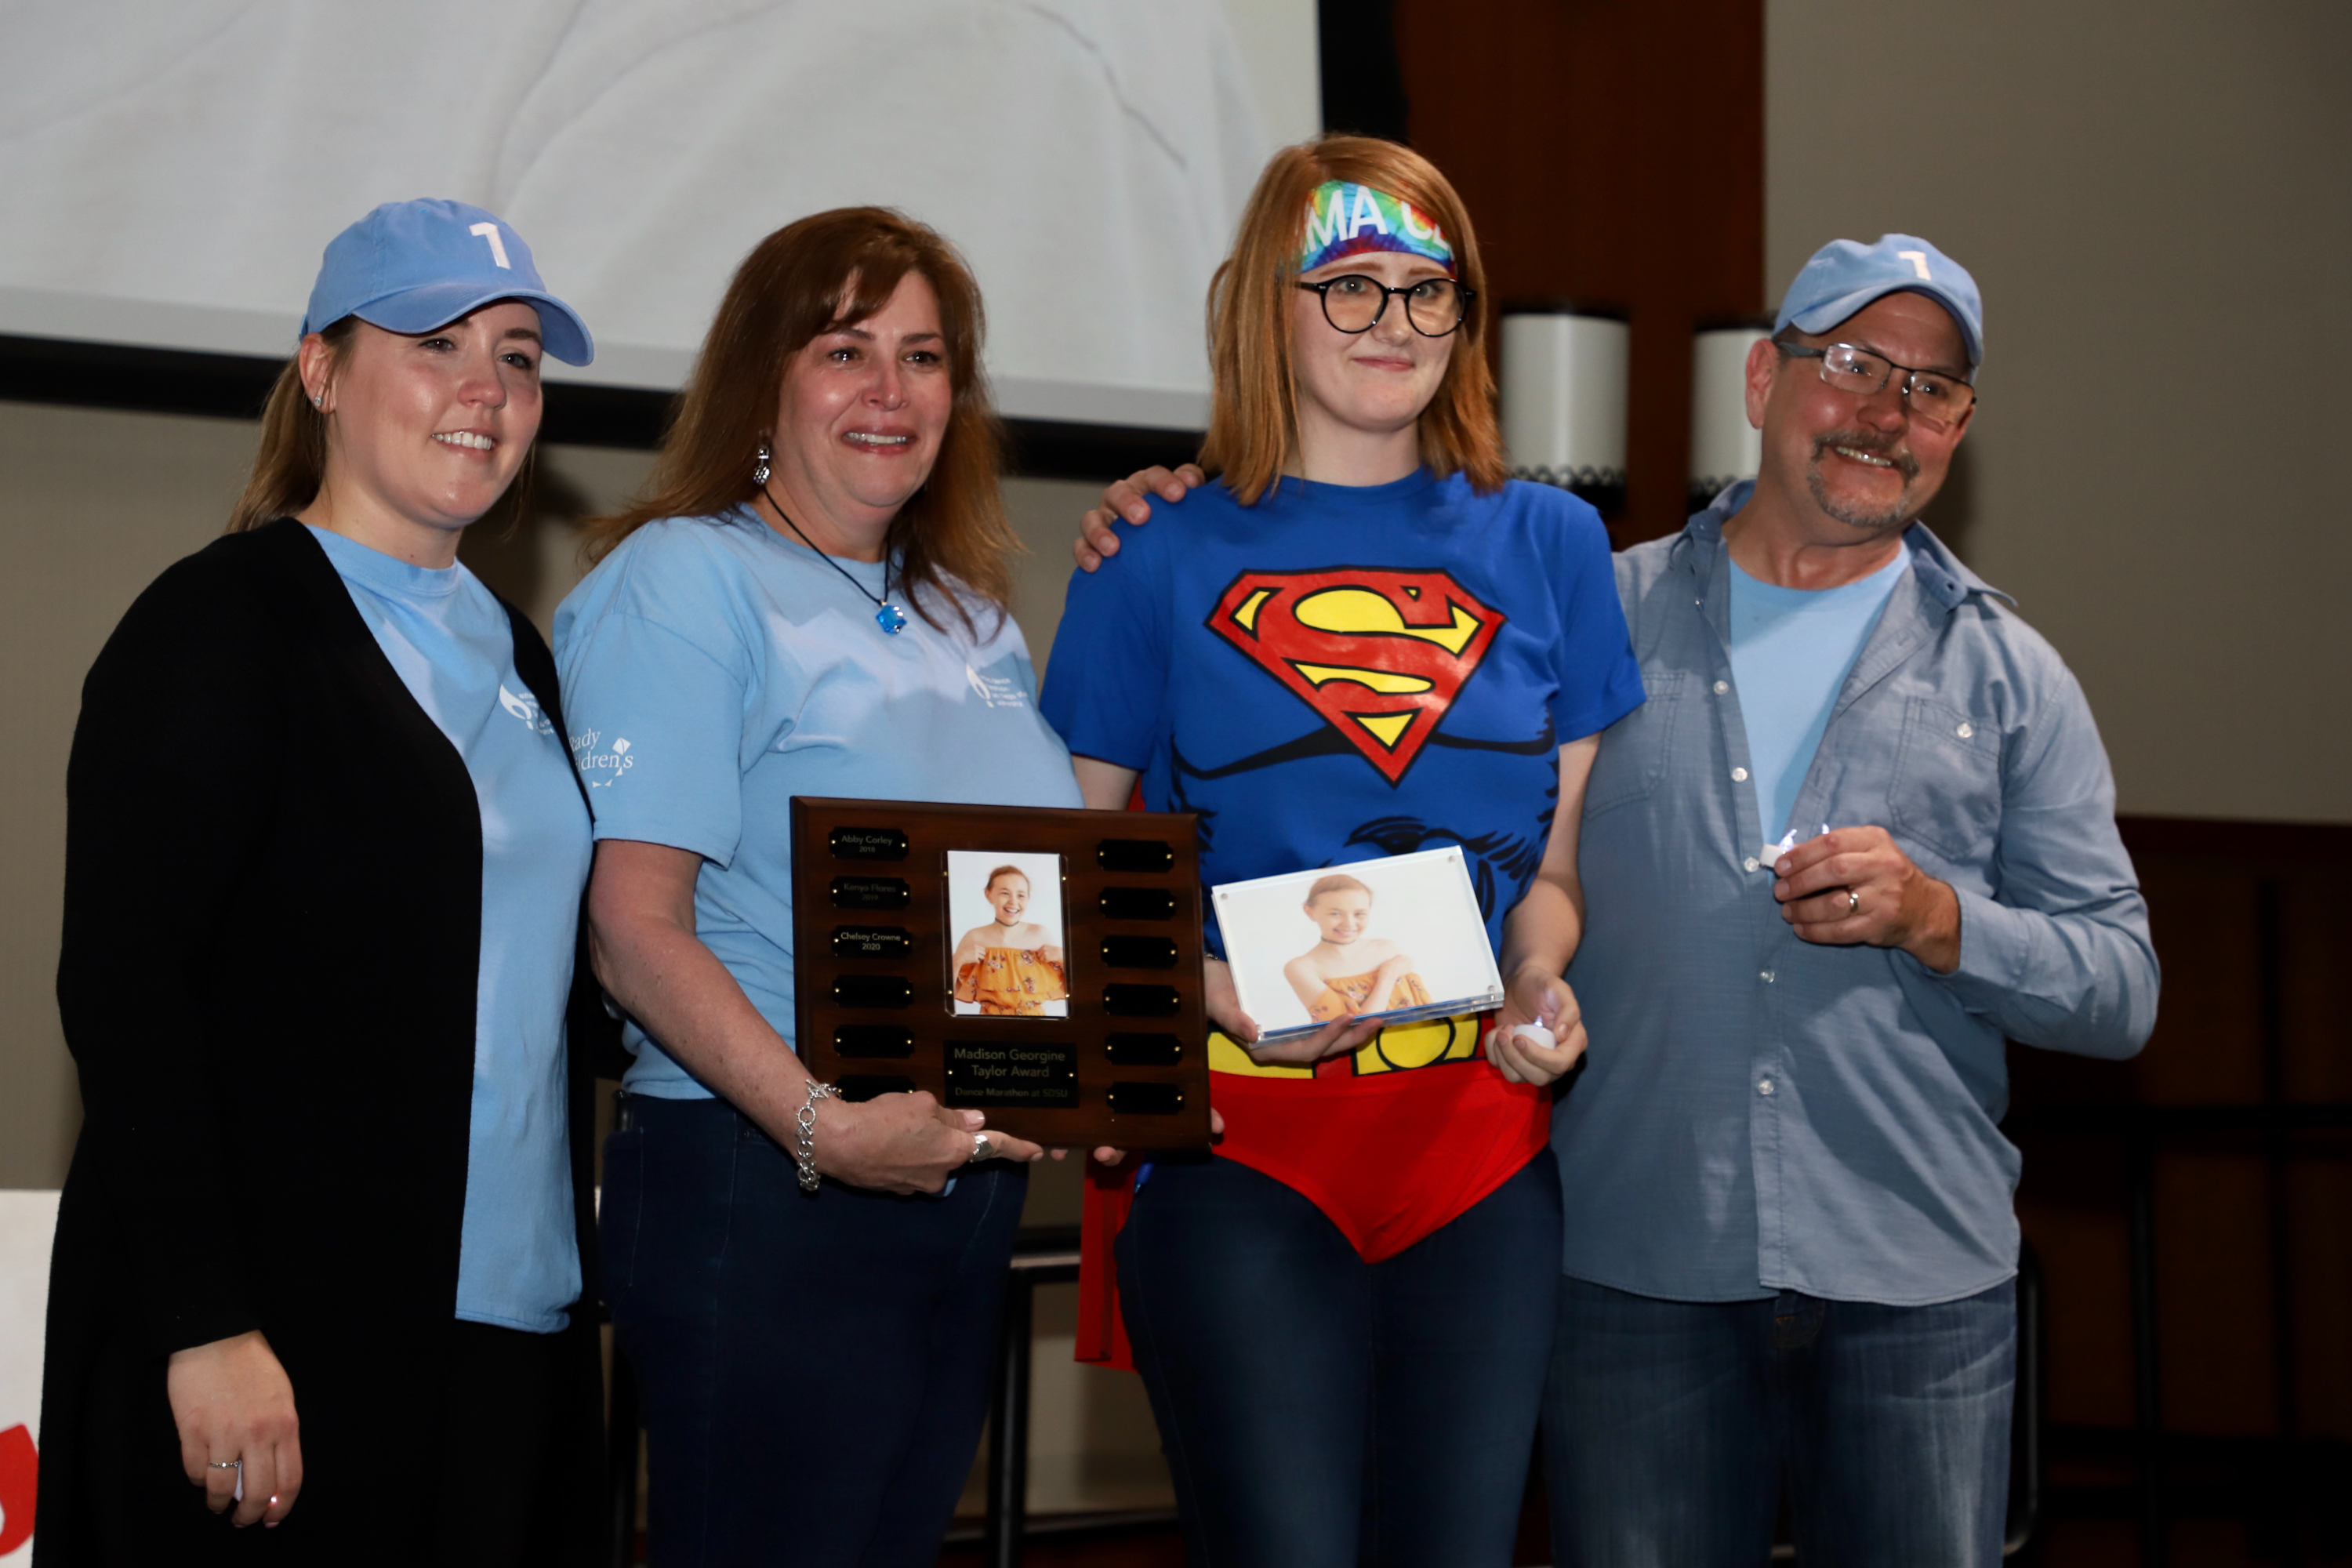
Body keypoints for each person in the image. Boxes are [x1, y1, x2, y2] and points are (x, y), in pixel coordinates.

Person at [1078, 234, 2161, 1566]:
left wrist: (1941, 919)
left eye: (1930, 388)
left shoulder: (2014, 677)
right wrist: (1175, 509)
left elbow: (2121, 990)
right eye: (1850, 364)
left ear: (1961, 428)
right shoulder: (1583, 602)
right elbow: (1458, 832)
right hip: (1634, 1278)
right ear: (1762, 380)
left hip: (1918, 1283)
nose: (1887, 411)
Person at [1041, 136, 1644, 1567]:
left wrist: (1540, 984)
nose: (1396, 323)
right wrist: (1207, 992)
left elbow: (1553, 878)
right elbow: (1058, 870)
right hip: (1244, 1145)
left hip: (1479, 1152)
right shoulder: (1157, 550)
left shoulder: (1555, 543)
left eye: (1429, 289)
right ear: (1272, 302)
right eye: (1352, 285)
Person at [39, 199, 612, 1565]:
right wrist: (207, 1323)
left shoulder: (521, 654)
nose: (486, 390)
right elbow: (125, 988)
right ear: (322, 373)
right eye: (436, 344)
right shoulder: (218, 627)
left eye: (518, 357)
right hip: (286, 1341)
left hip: (507, 1327)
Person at [554, 207, 1072, 1567]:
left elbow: (1028, 911)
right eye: (846, 351)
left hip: (960, 1189)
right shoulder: (686, 580)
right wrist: (819, 1126)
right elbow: (628, 925)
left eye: (923, 357)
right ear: (763, 381)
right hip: (764, 1182)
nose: (889, 391)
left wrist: (1119, 1063)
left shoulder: (974, 620)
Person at [1283, 873, 1429, 1024]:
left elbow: (1423, 1010)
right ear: (1310, 912)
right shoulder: (1302, 968)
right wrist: (1388, 976)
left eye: (1359, 914)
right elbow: (1352, 1028)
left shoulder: (1388, 949)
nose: (1349, 924)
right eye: (1336, 914)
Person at [951, 866, 1069, 1016]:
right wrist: (957, 960)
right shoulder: (975, 938)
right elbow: (946, 994)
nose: (1013, 902)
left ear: (1028, 899)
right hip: (989, 1025)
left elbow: (1072, 990)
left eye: (1021, 895)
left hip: (1035, 1025)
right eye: (1005, 893)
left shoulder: (1040, 934)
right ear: (988, 895)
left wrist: (1063, 957)